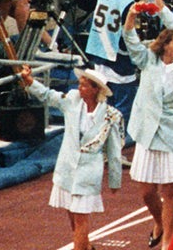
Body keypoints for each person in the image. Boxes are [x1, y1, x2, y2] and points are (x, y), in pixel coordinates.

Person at [19, 66, 124, 250]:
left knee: (81, 218)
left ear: (95, 89)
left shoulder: (111, 116)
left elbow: (115, 152)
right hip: (67, 169)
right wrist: (30, 81)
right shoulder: (72, 100)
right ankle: (86, 247)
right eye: (80, 84)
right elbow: (49, 95)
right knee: (74, 218)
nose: (79, 88)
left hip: (88, 173)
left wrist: (114, 180)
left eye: (84, 86)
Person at [122, 1, 173, 248]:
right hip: (147, 134)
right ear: (164, 44)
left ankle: (169, 241)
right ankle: (159, 222)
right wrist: (131, 14)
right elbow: (129, 37)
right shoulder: (148, 61)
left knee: (170, 193)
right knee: (147, 191)